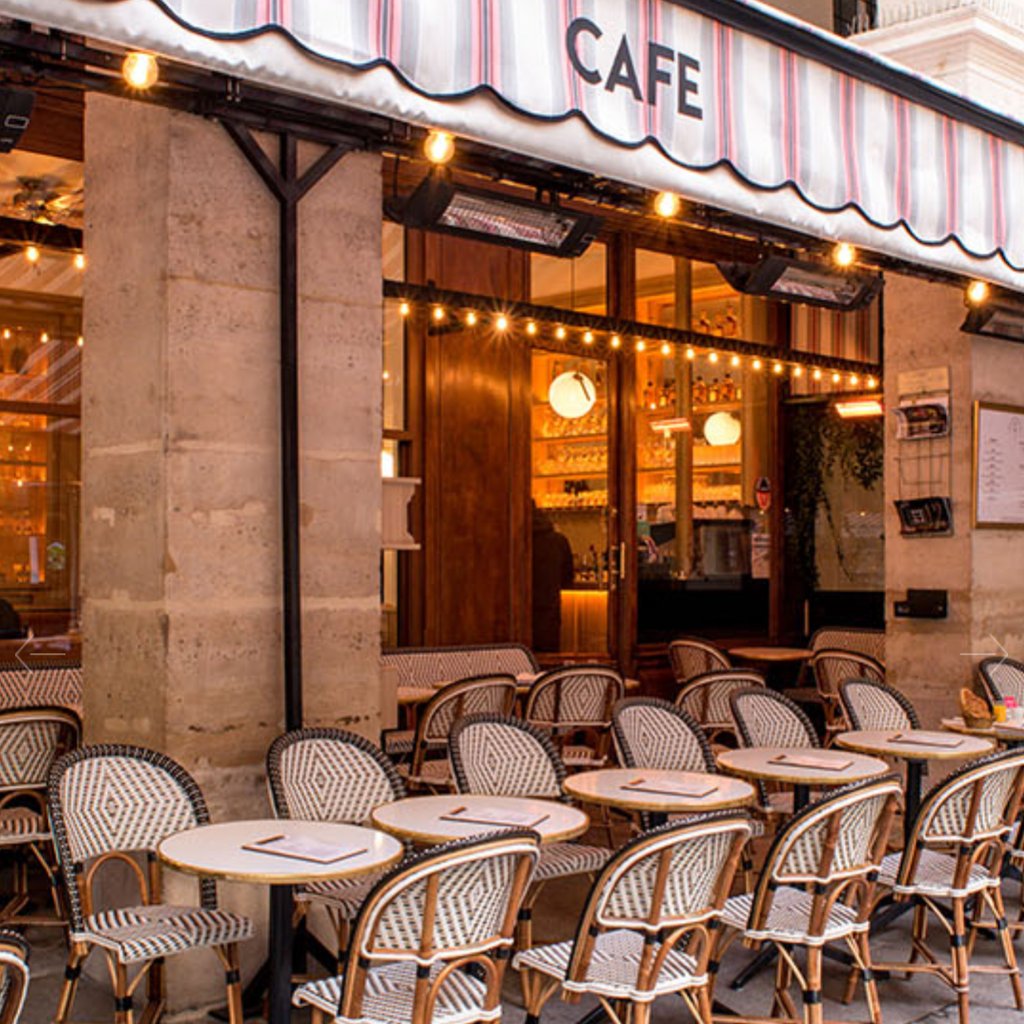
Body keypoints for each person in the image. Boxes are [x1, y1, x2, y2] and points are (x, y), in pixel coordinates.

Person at [531, 502, 574, 652]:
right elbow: (568, 580)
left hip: (515, 615)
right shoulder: (558, 541)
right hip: (548, 612)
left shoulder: (514, 541)